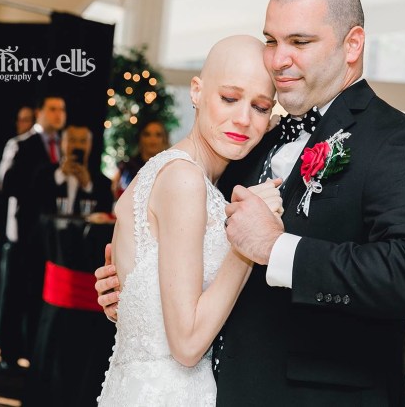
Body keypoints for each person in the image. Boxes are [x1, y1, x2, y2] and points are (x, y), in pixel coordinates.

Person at [97, 0, 405, 406]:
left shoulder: (396, 139)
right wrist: (137, 289)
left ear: (352, 45)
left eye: (299, 42)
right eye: (272, 40)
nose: (278, 59)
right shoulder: (251, 138)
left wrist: (278, 249)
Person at [97, 35, 280, 405]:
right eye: (229, 98)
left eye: (260, 107)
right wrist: (245, 240)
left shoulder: (187, 174)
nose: (243, 119)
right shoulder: (184, 178)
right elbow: (187, 345)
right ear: (196, 91)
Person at [0, 94, 66, 368]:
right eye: (52, 109)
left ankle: (34, 350)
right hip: (23, 231)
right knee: (13, 293)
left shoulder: (64, 146)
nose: (58, 114)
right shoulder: (20, 144)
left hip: (50, 235)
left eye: (61, 109)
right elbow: (7, 185)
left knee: (40, 293)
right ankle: (8, 353)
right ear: (39, 112)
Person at [30, 124, 113, 217]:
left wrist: (88, 186)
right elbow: (34, 206)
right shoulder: (43, 174)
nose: (77, 146)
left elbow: (105, 215)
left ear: (90, 145)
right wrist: (60, 176)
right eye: (72, 140)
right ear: (62, 143)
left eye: (83, 141)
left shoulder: (103, 182)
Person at [111, 119, 169, 199]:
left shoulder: (170, 167)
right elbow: (115, 193)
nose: (153, 139)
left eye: (158, 135)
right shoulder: (126, 167)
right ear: (141, 138)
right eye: (147, 134)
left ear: (165, 139)